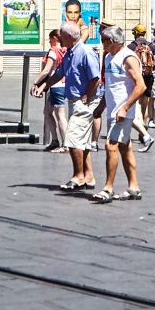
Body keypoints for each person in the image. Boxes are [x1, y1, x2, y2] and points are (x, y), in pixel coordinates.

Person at [94, 23, 145, 203]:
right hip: (113, 111)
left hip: (123, 112)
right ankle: (134, 187)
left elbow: (141, 86)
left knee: (111, 145)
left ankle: (108, 188)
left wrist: (125, 108)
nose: (102, 44)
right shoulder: (109, 58)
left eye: (104, 41)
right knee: (125, 147)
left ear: (113, 41)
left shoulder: (128, 58)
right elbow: (111, 86)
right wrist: (101, 106)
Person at [57, 26, 104, 194]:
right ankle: (89, 177)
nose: (59, 38)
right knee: (82, 141)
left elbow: (95, 78)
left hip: (85, 101)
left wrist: (85, 98)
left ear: (69, 36)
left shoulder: (85, 52)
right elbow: (59, 72)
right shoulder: (69, 53)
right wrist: (42, 86)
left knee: (73, 137)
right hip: (74, 100)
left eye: (61, 36)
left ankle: (78, 177)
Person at [30, 27, 71, 152]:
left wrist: (36, 83)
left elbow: (47, 70)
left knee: (60, 116)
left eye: (49, 39)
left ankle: (66, 145)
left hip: (57, 85)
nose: (49, 42)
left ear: (54, 38)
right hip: (62, 85)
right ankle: (54, 140)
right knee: (47, 112)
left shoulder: (53, 51)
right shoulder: (66, 50)